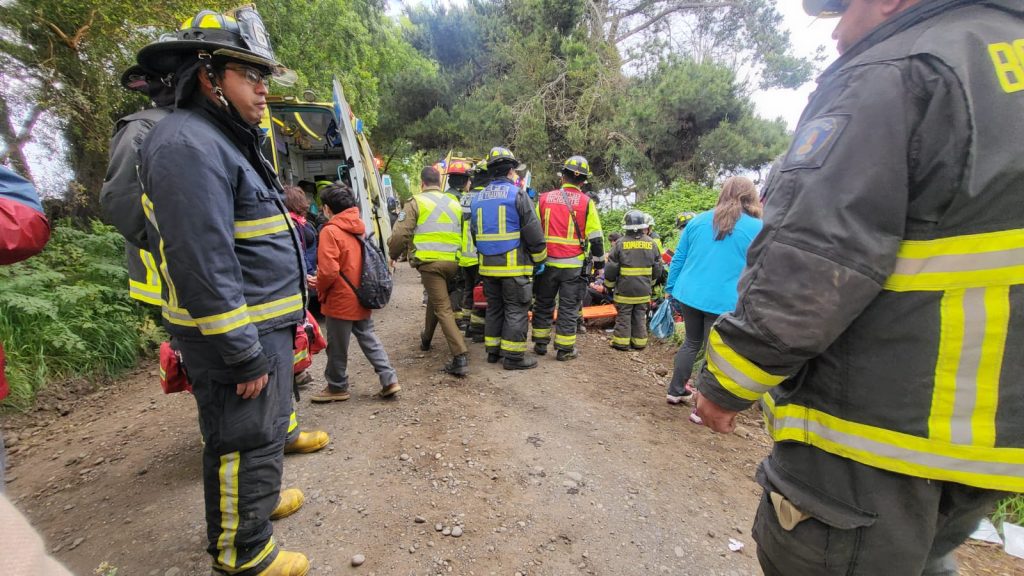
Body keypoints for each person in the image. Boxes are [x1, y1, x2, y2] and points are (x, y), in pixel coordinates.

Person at [695, 1, 1024, 574]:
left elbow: (812, 258)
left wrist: (726, 383)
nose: (839, 36)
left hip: (871, 428)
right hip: (986, 442)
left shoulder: (894, 69)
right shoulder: (997, 57)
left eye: (842, 12)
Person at [136, 7, 312, 574]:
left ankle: (252, 510)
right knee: (244, 442)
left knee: (254, 438)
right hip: (240, 334)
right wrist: (240, 349)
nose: (264, 90)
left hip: (259, 327)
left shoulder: (219, 139)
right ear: (209, 75)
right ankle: (246, 552)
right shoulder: (188, 145)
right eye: (250, 76)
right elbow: (202, 261)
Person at [664, 177, 762, 406]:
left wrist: (671, 289)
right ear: (751, 197)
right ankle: (703, 406)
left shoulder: (698, 221)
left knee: (691, 342)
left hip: (689, 294)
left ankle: (675, 390)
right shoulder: (758, 228)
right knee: (714, 353)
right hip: (725, 301)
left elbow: (678, 258)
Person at [311, 182, 400, 401]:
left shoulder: (330, 231)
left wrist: (318, 285)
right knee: (369, 338)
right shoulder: (359, 226)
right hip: (362, 294)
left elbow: (329, 270)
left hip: (340, 299)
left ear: (328, 208)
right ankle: (389, 380)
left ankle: (336, 386)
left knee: (337, 347)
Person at [387, 166, 469, 377]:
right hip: (453, 262)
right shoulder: (454, 202)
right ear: (440, 183)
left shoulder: (416, 202)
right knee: (436, 299)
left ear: (422, 183)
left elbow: (399, 235)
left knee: (442, 307)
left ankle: (460, 356)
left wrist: (393, 255)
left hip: (431, 263)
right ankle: (426, 339)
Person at [470, 147, 547, 369]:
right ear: (511, 171)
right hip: (514, 268)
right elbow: (533, 232)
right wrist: (540, 260)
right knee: (516, 310)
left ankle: (493, 352)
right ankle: (513, 358)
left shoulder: (478, 198)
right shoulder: (518, 195)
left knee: (494, 308)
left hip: (487, 268)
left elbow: (475, 234)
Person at [530, 155, 604, 361]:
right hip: (573, 266)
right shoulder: (587, 203)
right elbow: (596, 238)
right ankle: (564, 349)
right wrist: (599, 264)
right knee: (569, 308)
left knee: (543, 303)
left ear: (562, 176)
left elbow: (534, 231)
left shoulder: (544, 199)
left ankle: (540, 343)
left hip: (546, 264)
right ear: (583, 181)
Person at [604, 211, 662, 351]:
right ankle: (639, 343)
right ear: (643, 226)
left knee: (624, 314)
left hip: (625, 289)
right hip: (643, 290)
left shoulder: (620, 244)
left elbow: (612, 267)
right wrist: (651, 283)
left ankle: (621, 343)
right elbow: (657, 267)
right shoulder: (651, 244)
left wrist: (609, 285)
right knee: (639, 315)